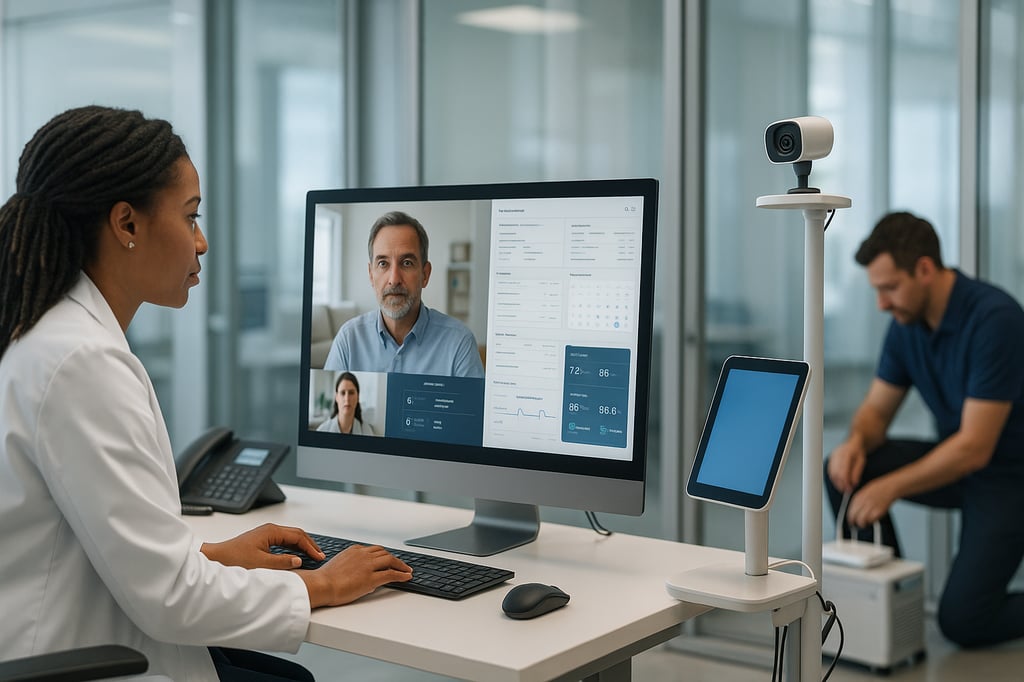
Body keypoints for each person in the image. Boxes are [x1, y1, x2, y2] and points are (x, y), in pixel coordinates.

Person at [0, 106, 411, 681]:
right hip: (77, 657)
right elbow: (170, 599)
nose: (202, 241)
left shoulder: (44, 334)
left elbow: (100, 542)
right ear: (127, 225)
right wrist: (323, 584)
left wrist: (210, 555)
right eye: (190, 217)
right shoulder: (80, 363)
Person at [825, 211, 1024, 648]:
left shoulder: (996, 319)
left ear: (925, 269)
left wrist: (890, 487)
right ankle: (887, 614)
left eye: (890, 288)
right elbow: (876, 412)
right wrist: (855, 441)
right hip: (960, 465)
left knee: (964, 620)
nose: (881, 304)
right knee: (844, 468)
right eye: (877, 291)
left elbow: (974, 448)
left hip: (1009, 479)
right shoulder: (906, 325)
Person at [323, 210, 485, 378]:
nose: (394, 280)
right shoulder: (348, 341)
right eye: (383, 263)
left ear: (425, 275)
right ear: (371, 275)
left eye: (406, 263)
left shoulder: (459, 343)